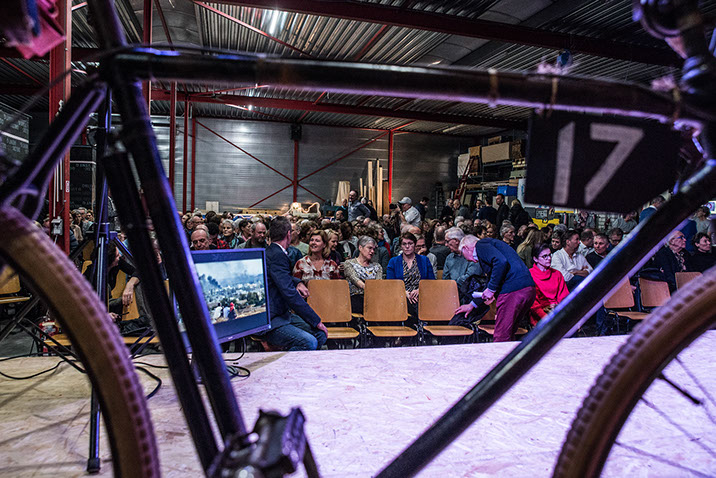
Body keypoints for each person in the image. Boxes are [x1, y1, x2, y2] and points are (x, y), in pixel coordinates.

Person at [261, 216, 328, 351]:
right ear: (288, 234)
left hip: (281, 314)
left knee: (320, 335)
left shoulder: (271, 251)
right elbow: (290, 294)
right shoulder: (277, 255)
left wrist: (297, 282)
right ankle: (283, 363)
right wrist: (316, 320)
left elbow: (281, 276)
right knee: (309, 342)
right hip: (272, 320)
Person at [455, 235, 536, 342]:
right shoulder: (492, 246)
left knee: (501, 335)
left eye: (463, 254)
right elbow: (491, 279)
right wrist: (472, 304)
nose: (468, 260)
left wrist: (491, 289)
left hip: (512, 290)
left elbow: (500, 262)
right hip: (527, 289)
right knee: (510, 332)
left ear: (465, 248)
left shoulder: (481, 245)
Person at [386, 232, 435, 320]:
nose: (407, 246)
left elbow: (431, 282)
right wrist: (404, 292)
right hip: (400, 296)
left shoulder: (424, 260)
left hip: (422, 295)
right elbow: (390, 284)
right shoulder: (393, 262)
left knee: (418, 302)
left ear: (415, 245)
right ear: (401, 246)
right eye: (404, 244)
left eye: (410, 243)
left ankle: (418, 323)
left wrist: (420, 290)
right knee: (407, 303)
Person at [529, 244, 569, 326]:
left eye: (550, 255)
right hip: (540, 315)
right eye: (545, 256)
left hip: (557, 312)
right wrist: (546, 318)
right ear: (535, 259)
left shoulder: (557, 274)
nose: (549, 258)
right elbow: (534, 304)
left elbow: (564, 296)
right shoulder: (530, 275)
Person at [343, 236, 383, 314]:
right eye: (369, 248)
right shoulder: (349, 264)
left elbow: (378, 284)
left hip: (373, 298)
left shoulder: (377, 266)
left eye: (374, 249)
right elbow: (355, 280)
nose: (372, 251)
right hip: (355, 299)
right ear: (360, 248)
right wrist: (369, 288)